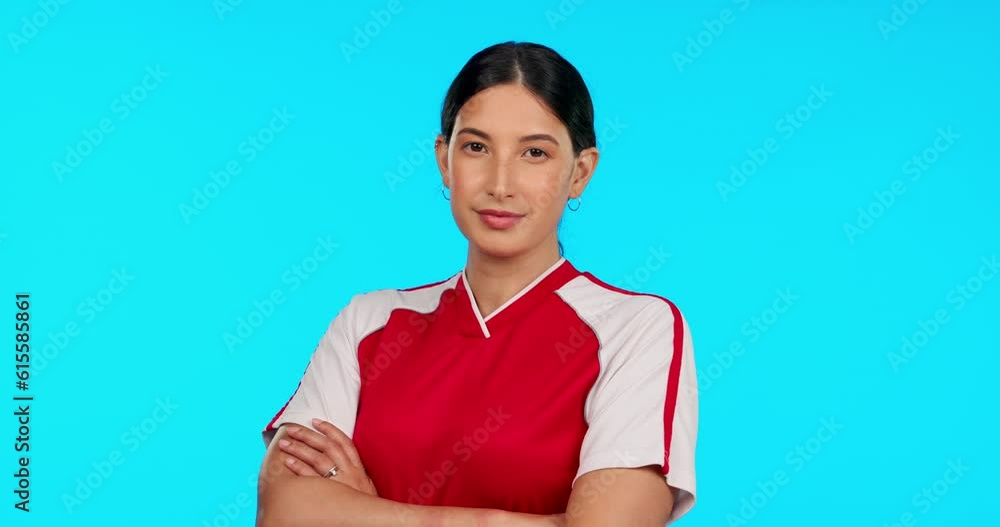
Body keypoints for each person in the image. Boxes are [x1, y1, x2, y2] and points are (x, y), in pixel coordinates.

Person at [256, 41, 698, 527]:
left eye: (535, 153)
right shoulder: (369, 322)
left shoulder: (632, 329)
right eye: (476, 147)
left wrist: (365, 511)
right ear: (445, 161)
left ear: (580, 173)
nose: (500, 183)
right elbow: (284, 514)